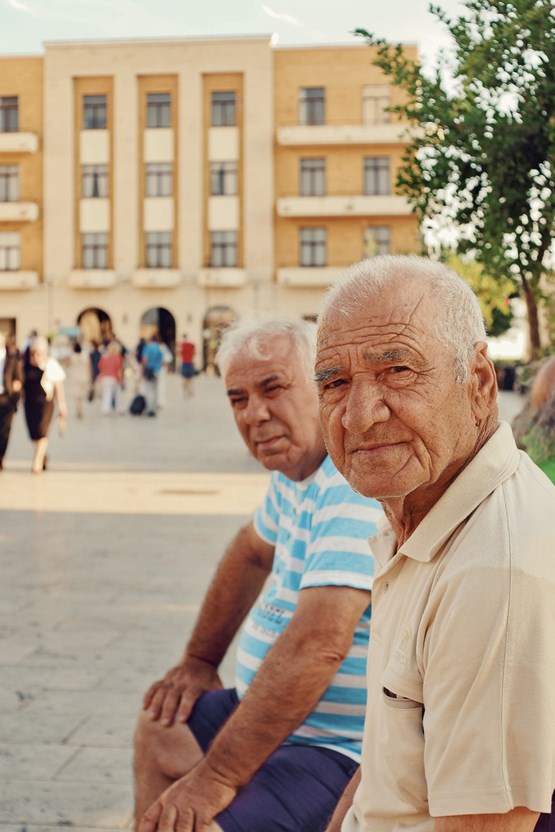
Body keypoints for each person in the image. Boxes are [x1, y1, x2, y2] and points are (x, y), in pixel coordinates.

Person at [314, 255, 555, 832]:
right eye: (335, 382)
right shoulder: (423, 514)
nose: (359, 416)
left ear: (478, 382)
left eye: (397, 371)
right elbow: (392, 763)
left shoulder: (492, 569)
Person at [134, 318, 383, 832]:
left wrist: (217, 775)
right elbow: (249, 552)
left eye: (273, 389)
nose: (255, 414)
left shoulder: (353, 482)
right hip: (276, 721)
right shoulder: (297, 474)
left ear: (323, 387)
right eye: (237, 399)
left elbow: (319, 645)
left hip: (338, 749)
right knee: (161, 727)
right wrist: (199, 660)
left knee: (199, 819)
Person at [22, 335, 67, 474]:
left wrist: (62, 405)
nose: (35, 356)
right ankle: (42, 456)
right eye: (33, 353)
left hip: (45, 404)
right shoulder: (25, 365)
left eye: (38, 353)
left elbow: (58, 386)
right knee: (34, 435)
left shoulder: (51, 364)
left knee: (42, 432)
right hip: (29, 404)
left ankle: (36, 463)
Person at [0, 332, 23, 471]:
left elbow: (20, 378)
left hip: (6, 399)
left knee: (4, 432)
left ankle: (1, 457)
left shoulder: (12, 358)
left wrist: (17, 385)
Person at [98, 340, 125, 415]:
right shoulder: (117, 358)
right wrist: (120, 379)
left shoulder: (104, 357)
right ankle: (120, 408)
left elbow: (100, 367)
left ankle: (105, 409)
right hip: (114, 378)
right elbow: (119, 370)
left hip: (104, 378)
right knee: (118, 394)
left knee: (106, 394)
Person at [68, 341, 92, 419]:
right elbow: (89, 367)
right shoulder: (85, 356)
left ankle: (78, 410)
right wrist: (90, 376)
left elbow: (68, 366)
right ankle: (81, 410)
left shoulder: (72, 356)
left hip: (75, 377)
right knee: (81, 396)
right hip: (84, 377)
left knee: (76, 395)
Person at [141, 334, 164, 417]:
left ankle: (148, 408)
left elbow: (144, 360)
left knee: (148, 390)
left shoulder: (148, 347)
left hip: (149, 370)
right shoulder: (159, 349)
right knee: (155, 391)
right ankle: (153, 409)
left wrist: (142, 371)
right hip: (156, 371)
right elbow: (161, 362)